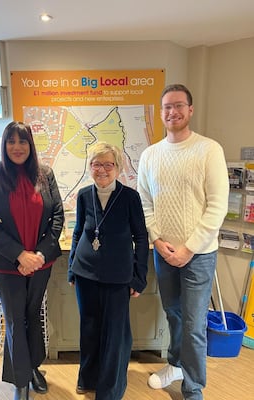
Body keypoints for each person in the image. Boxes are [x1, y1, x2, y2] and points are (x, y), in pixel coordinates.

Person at [137, 84, 229, 400]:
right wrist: (158, 242)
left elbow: (218, 205)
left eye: (178, 106)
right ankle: (176, 364)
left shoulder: (209, 150)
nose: (172, 112)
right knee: (174, 314)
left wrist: (189, 248)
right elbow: (145, 203)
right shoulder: (150, 155)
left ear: (190, 110)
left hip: (199, 254)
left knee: (193, 323)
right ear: (161, 113)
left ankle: (193, 387)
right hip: (164, 252)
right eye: (166, 107)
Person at [0, 121, 64, 400]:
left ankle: (33, 367)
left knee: (33, 315)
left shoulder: (45, 174)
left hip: (40, 263)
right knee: (14, 320)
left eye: (22, 141)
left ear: (30, 145)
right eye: (11, 141)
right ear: (4, 145)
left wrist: (38, 254)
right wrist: (19, 255)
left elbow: (57, 216)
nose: (17, 147)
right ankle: (21, 381)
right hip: (6, 264)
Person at [68, 142, 149, 400]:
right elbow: (78, 232)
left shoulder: (130, 197)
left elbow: (141, 237)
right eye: (96, 164)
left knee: (115, 333)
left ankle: (110, 389)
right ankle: (88, 377)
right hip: (85, 274)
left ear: (117, 167)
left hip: (118, 275)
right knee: (89, 328)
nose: (101, 170)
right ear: (89, 166)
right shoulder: (83, 195)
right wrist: (72, 267)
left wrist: (139, 276)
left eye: (107, 164)